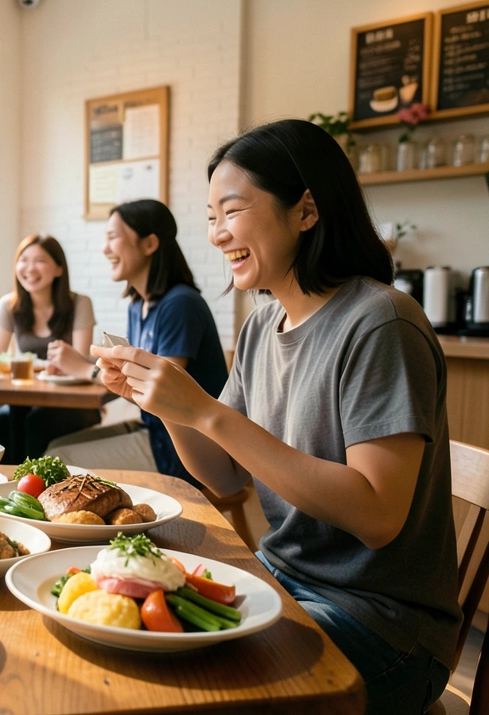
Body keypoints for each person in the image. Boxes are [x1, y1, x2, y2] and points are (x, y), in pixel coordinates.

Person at [93, 119, 458, 713]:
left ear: (306, 210)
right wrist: (165, 406)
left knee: (181, 680)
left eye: (232, 211)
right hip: (280, 578)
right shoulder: (263, 325)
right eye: (210, 217)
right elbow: (224, 475)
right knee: (121, 620)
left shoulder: (381, 323)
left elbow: (376, 514)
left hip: (381, 624)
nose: (217, 234)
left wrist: (206, 411)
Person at [94, 199, 227, 482]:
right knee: (54, 446)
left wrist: (87, 370)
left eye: (113, 237)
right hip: (155, 431)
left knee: (58, 457)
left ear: (149, 244)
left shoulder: (180, 304)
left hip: (186, 449)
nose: (104, 248)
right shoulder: (137, 305)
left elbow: (161, 393)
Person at [0, 234, 100, 457]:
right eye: (23, 260)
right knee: (2, 423)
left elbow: (79, 360)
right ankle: (10, 478)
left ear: (59, 269)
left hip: (72, 400)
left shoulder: (80, 303)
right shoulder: (9, 305)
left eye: (39, 261)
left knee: (36, 424)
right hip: (26, 397)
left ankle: (36, 479)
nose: (30, 268)